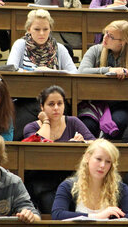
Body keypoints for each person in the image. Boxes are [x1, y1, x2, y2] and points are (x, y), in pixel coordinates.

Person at [23, 85, 95, 214]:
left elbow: (96, 143)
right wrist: (46, 121)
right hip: (43, 181)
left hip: (71, 179)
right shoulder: (31, 127)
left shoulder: (73, 122)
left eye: (59, 103)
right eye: (51, 104)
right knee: (53, 209)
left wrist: (81, 142)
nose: (56, 108)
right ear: (42, 107)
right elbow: (40, 145)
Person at [78, 20, 128, 138]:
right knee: (87, 125)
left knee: (117, 123)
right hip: (96, 105)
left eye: (111, 36)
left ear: (122, 42)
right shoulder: (96, 50)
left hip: (124, 105)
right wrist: (109, 70)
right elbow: (81, 71)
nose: (105, 37)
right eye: (105, 33)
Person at [51, 138, 128, 220]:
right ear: (87, 157)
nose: (102, 165)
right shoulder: (68, 186)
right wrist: (98, 217)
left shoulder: (120, 188)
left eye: (108, 162)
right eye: (98, 159)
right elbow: (57, 214)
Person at [6, 9, 77, 72]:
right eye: (37, 29)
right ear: (29, 29)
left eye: (45, 29)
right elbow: (11, 69)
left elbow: (74, 73)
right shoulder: (20, 45)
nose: (41, 33)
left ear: (50, 29)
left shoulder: (59, 48)